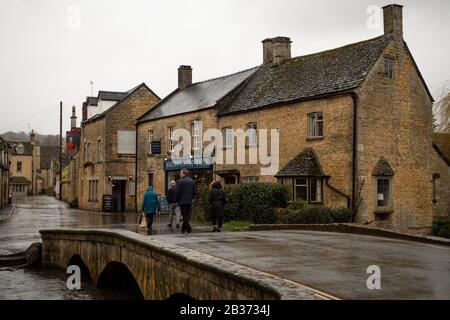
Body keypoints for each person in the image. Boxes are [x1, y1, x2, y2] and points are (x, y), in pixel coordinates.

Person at [176, 168, 196, 234]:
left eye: (180, 173)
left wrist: (177, 200)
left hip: (182, 201)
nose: (180, 174)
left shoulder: (180, 181)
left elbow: (178, 192)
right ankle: (183, 229)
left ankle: (189, 229)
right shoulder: (192, 181)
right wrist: (191, 198)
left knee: (185, 216)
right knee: (186, 215)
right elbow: (194, 192)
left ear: (183, 173)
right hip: (189, 201)